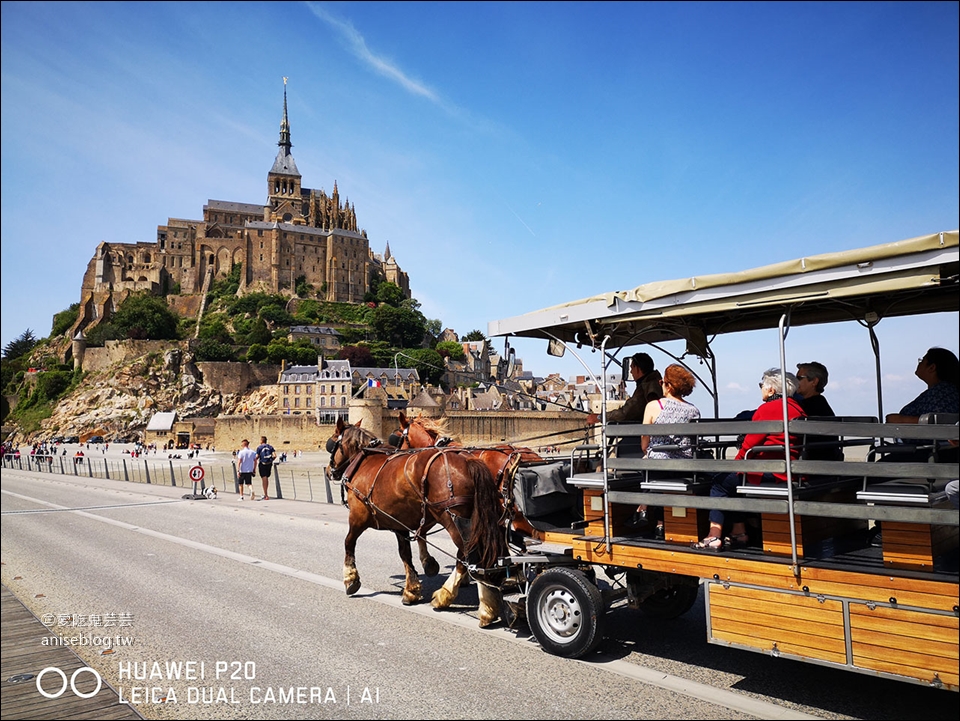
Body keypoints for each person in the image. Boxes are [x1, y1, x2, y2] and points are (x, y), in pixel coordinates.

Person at [693, 369, 806, 552]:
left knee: (720, 483)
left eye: (762, 386)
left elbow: (749, 444)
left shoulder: (768, 409)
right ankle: (739, 532)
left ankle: (713, 536)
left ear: (771, 390)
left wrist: (737, 465)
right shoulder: (796, 407)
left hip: (770, 472)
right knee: (733, 483)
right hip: (788, 470)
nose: (760, 389)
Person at [628, 364, 701, 538]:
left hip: (659, 463)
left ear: (667, 385)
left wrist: (648, 451)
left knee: (650, 469)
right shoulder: (693, 410)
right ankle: (655, 518)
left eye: (662, 382)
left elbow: (644, 441)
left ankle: (645, 510)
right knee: (662, 476)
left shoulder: (655, 406)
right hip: (684, 464)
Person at [586, 352, 663, 426]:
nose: (631, 372)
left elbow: (626, 413)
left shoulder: (647, 386)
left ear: (638, 369)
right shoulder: (654, 382)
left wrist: (600, 417)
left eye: (632, 368)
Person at [885, 347, 959, 424]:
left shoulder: (942, 393)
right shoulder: (943, 391)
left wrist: (901, 420)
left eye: (922, 360)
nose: (919, 363)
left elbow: (938, 423)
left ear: (931, 368)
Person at [795, 361, 840, 461]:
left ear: (814, 381)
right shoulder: (821, 404)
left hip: (811, 464)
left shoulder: (808, 407)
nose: (795, 382)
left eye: (799, 378)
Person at [255, 436, 276, 501]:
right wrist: (271, 460)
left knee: (264, 478)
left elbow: (257, 457)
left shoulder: (259, 447)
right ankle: (265, 493)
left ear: (261, 441)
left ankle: (266, 495)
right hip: (269, 464)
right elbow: (275, 455)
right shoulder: (270, 447)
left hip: (262, 464)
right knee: (266, 477)